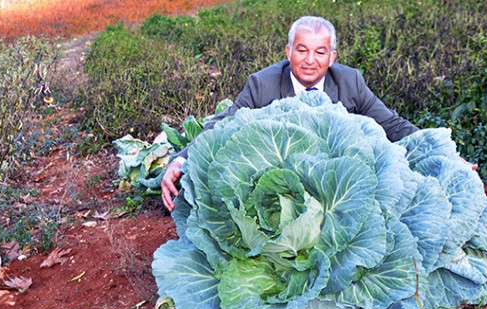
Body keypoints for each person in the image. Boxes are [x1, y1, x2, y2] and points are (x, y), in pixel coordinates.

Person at [161, 15, 420, 211]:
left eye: (320, 52)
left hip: (335, 190)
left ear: (331, 57)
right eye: (302, 50)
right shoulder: (263, 85)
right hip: (278, 190)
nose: (310, 60)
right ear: (289, 52)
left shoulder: (349, 81)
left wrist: (433, 146)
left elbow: (392, 125)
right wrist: (181, 160)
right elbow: (222, 125)